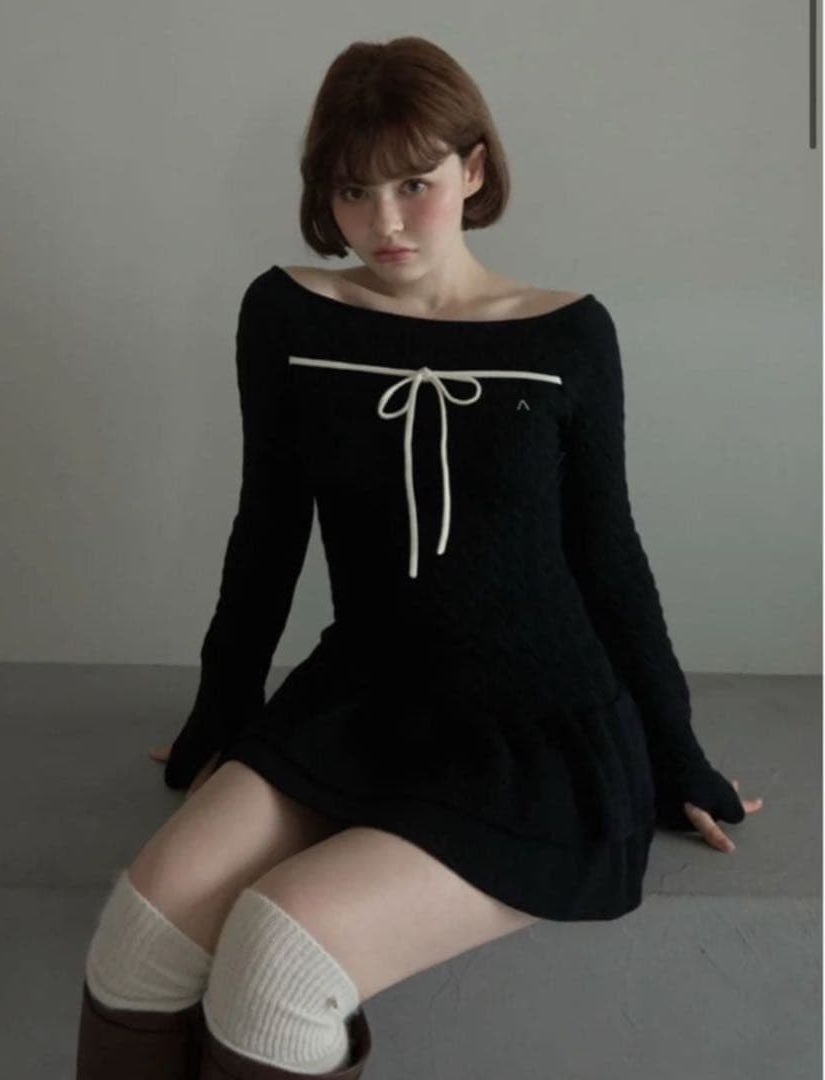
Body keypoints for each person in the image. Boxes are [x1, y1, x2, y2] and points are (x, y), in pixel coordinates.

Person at [75, 34, 764, 1080]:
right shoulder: (289, 316)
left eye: (414, 184)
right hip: (359, 700)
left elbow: (608, 553)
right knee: (133, 950)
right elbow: (268, 526)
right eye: (353, 192)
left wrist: (678, 754)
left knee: (273, 970)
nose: (384, 223)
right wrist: (221, 712)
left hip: (536, 727)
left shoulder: (567, 336)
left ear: (473, 169)